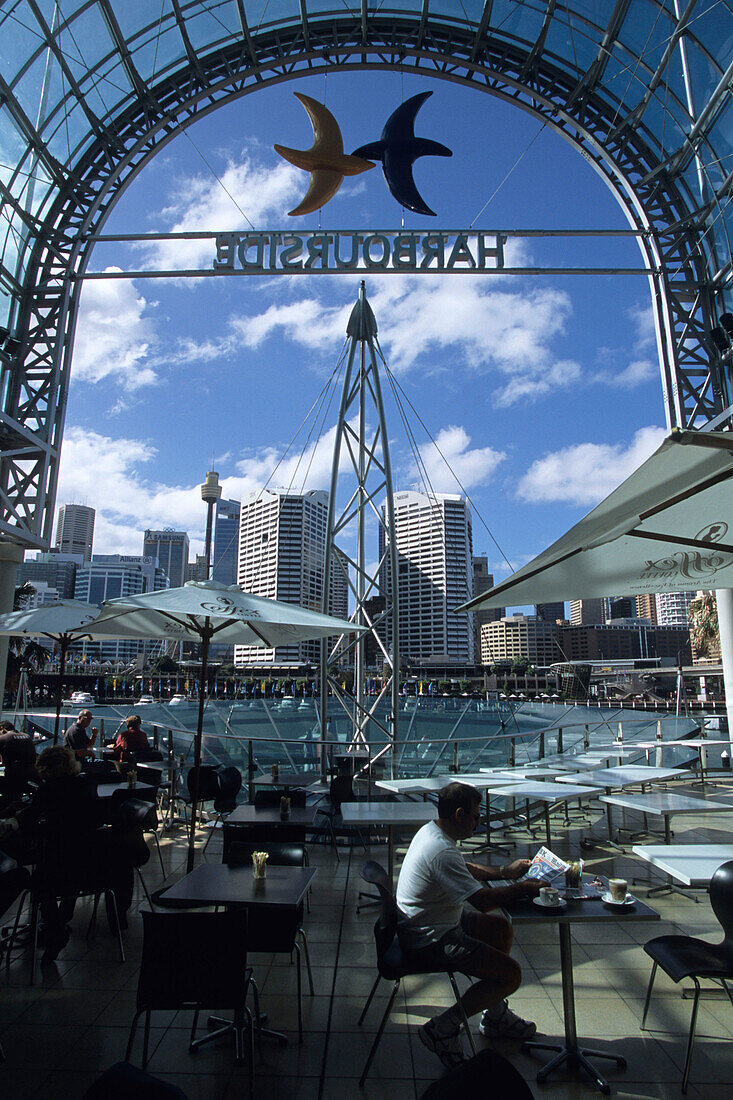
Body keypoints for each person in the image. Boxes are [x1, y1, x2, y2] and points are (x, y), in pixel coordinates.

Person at [396, 781, 543, 1067]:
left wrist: (503, 871)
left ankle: (495, 1013)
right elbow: (483, 901)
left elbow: (464, 867)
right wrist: (523, 888)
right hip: (430, 938)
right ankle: (443, 1028)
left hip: (428, 920)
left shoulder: (433, 832)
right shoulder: (441, 850)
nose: (480, 821)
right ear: (460, 814)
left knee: (500, 930)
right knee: (511, 975)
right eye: (476, 816)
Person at [14, 746, 134, 963]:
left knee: (41, 883)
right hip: (91, 866)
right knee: (70, 873)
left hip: (57, 866)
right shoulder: (85, 785)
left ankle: (55, 925)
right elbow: (96, 819)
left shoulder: (47, 790)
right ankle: (62, 919)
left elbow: (29, 822)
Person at [0, 719, 37, 803]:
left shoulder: (4, 738)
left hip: (14, 775)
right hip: (31, 774)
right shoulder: (27, 736)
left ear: (1, 729)